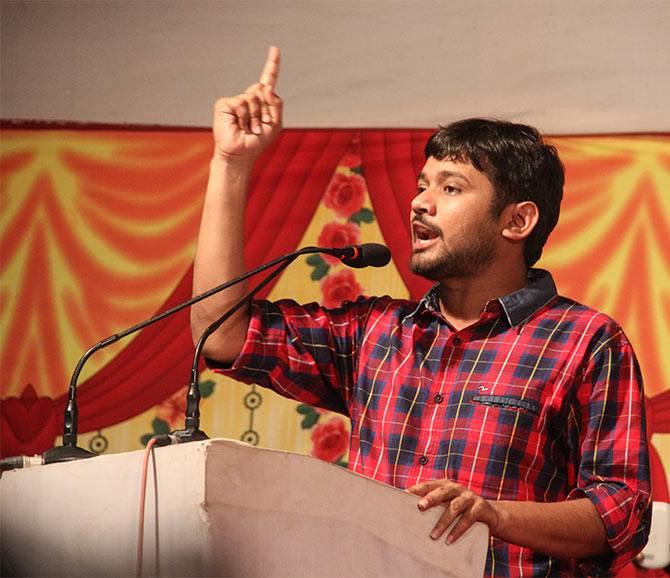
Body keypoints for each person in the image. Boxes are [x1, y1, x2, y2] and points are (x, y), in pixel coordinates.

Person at [191, 46, 651, 577]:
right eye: (421, 186)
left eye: (450, 188)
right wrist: (231, 163)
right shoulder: (375, 333)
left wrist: (493, 515)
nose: (419, 203)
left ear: (518, 221)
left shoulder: (586, 340)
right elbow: (222, 334)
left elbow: (620, 511)